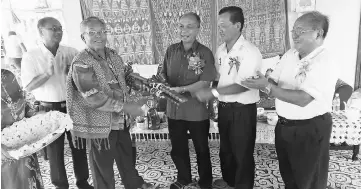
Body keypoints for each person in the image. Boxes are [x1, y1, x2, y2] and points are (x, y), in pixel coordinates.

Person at [241, 11, 338, 189]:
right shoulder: (290, 54)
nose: (294, 34)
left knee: (309, 181)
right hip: (284, 126)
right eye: (294, 30)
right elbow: (274, 80)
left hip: (310, 129)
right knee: (290, 176)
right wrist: (261, 81)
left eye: (300, 30)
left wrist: (268, 87)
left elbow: (303, 99)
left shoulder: (324, 61)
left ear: (318, 33)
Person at [66, 16, 155, 189]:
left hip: (121, 121)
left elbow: (127, 76)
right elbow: (92, 97)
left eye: (102, 31)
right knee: (102, 166)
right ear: (83, 37)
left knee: (126, 156)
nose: (99, 36)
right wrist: (126, 107)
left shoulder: (113, 55)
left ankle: (133, 183)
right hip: (100, 124)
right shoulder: (81, 62)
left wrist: (148, 84)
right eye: (92, 32)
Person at [21, 17, 93, 189]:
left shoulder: (71, 52)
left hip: (72, 105)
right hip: (48, 109)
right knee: (54, 152)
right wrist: (47, 74)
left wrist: (76, 74)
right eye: (53, 29)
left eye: (60, 28)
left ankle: (83, 182)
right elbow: (28, 86)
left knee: (79, 147)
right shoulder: (31, 56)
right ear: (40, 32)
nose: (58, 32)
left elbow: (87, 80)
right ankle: (60, 186)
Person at [195, 6, 262, 189]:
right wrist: (212, 100)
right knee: (226, 151)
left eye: (223, 25)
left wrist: (212, 93)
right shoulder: (221, 51)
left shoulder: (249, 51)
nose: (220, 29)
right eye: (219, 25)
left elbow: (244, 85)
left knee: (242, 153)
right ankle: (229, 181)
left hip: (242, 110)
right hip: (225, 109)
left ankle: (242, 185)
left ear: (238, 25)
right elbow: (218, 78)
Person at [159, 12, 216, 189]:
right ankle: (183, 178)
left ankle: (205, 181)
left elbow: (206, 81)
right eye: (181, 26)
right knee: (178, 148)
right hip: (174, 110)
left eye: (189, 26)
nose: (184, 30)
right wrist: (162, 83)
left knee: (201, 149)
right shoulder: (171, 50)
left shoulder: (204, 52)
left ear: (198, 28)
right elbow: (163, 72)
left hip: (195, 110)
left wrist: (182, 89)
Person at [1, 69, 44, 189]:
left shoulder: (7, 76)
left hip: (24, 148)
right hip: (4, 156)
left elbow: (23, 104)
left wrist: (37, 116)